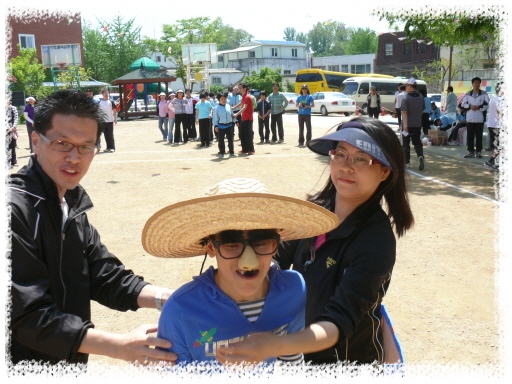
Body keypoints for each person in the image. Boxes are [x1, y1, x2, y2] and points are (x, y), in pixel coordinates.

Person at [215, 117, 414, 368]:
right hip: (299, 349)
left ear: (385, 171)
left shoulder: (375, 238)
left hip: (344, 363)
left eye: (361, 158)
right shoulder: (315, 212)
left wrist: (272, 344)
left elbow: (339, 321)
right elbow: (275, 256)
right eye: (340, 154)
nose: (346, 166)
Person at [8, 90, 177, 366]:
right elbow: (25, 315)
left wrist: (166, 298)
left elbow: (103, 273)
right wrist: (119, 346)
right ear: (36, 142)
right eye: (63, 143)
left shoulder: (71, 204)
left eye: (86, 146)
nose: (75, 157)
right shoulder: (13, 210)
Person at [141, 177, 338, 366]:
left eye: (261, 242)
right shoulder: (180, 310)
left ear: (276, 245)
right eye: (231, 244)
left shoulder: (293, 289)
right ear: (211, 248)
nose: (248, 262)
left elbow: (291, 358)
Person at [462, 77, 489, 159]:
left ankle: (478, 152)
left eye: (478, 83)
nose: (477, 84)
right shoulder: (467, 94)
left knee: (479, 136)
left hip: (479, 119)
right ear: (472, 84)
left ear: (480, 84)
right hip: (470, 119)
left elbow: (487, 104)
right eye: (475, 83)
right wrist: (470, 106)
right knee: (470, 136)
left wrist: (479, 107)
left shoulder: (484, 94)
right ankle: (470, 151)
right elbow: (463, 104)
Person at [401, 78, 425, 171]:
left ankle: (407, 162)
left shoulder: (406, 98)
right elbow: (422, 111)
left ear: (410, 86)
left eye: (406, 86)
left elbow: (404, 112)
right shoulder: (421, 98)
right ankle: (420, 155)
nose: (406, 87)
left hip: (407, 125)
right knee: (417, 142)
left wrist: (405, 126)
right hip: (417, 124)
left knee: (406, 144)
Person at [484, 82, 503, 170]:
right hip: (497, 126)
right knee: (499, 146)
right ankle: (491, 161)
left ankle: (495, 162)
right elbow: (501, 113)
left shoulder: (494, 98)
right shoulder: (499, 99)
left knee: (496, 146)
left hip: (492, 125)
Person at [232, 83, 255, 155]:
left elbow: (244, 107)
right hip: (244, 118)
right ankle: (245, 149)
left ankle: (251, 149)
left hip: (248, 118)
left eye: (240, 88)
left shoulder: (248, 97)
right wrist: (234, 107)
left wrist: (236, 114)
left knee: (248, 134)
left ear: (245, 88)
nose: (239, 89)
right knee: (242, 134)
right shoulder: (243, 96)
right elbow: (241, 104)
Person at [213, 91, 236, 158]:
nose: (223, 100)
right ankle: (222, 153)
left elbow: (232, 115)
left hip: (229, 126)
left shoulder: (228, 106)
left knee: (230, 140)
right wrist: (216, 126)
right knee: (221, 141)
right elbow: (215, 118)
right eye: (222, 99)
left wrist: (236, 121)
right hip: (221, 127)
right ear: (219, 100)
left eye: (224, 99)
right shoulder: (216, 108)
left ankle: (231, 152)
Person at [98, 89, 117, 153]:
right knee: (105, 135)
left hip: (110, 121)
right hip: (103, 121)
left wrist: (115, 118)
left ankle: (112, 147)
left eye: (107, 93)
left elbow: (114, 110)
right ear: (102, 94)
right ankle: (108, 147)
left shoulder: (111, 101)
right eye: (105, 93)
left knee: (110, 135)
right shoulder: (100, 102)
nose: (106, 94)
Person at [7, 98, 19, 169]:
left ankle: (13, 162)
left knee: (13, 146)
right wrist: (8, 128)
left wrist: (13, 127)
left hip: (13, 130)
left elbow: (16, 118)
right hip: (6, 130)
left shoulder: (13, 108)